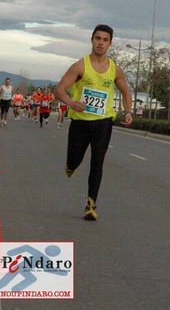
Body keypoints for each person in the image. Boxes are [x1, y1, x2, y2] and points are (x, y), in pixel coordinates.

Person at [55, 24, 133, 221]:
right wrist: (72, 102)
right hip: (80, 122)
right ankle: (71, 165)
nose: (100, 43)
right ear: (92, 40)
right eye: (98, 38)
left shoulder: (115, 69)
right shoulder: (80, 66)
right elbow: (59, 90)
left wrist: (128, 111)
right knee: (75, 158)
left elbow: (126, 91)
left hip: (103, 122)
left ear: (110, 43)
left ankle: (91, 205)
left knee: (97, 161)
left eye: (105, 40)